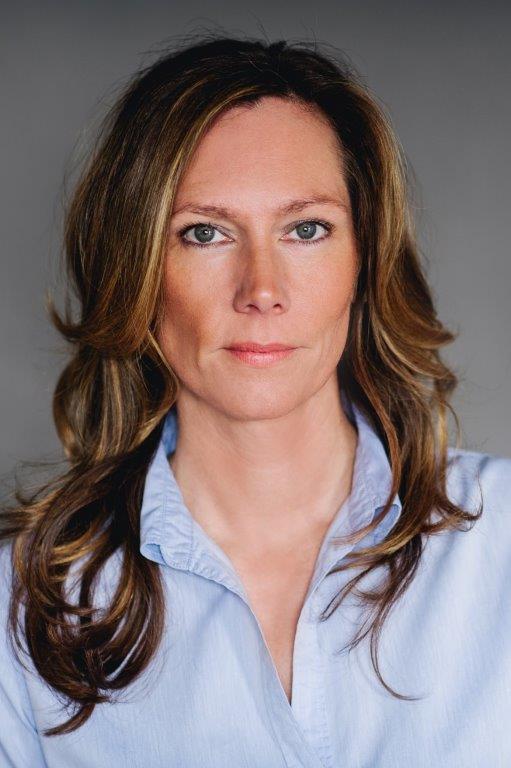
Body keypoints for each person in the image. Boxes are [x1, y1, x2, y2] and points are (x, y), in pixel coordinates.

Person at [0, 33, 509, 768]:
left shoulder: (500, 541)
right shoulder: (19, 606)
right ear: (136, 268)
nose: (261, 290)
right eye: (204, 233)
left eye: (306, 229)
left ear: (364, 261)